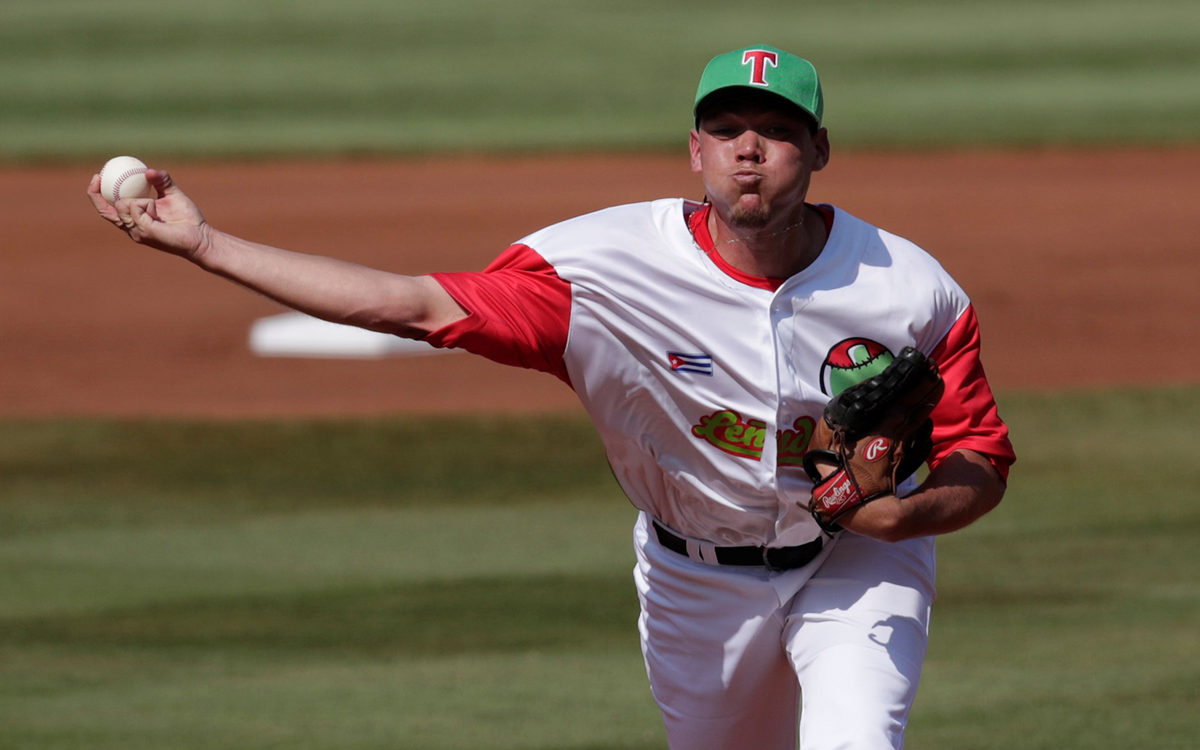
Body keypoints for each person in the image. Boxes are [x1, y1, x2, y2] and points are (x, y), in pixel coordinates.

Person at [89, 45, 1014, 750]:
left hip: (855, 563)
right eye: (727, 129)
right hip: (697, 578)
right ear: (694, 150)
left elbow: (981, 456)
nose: (748, 151)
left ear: (817, 148)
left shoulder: (907, 288)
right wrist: (205, 245)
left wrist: (903, 517)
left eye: (774, 130)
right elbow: (412, 305)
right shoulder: (600, 271)